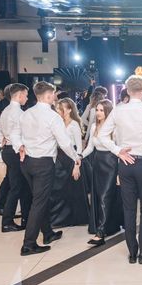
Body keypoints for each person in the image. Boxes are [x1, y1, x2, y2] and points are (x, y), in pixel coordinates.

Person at [99, 75, 142, 264]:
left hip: (125, 163)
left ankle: (132, 253)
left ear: (127, 91)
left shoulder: (118, 111)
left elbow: (102, 136)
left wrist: (118, 151)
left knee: (128, 209)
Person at [11, 81, 81, 256]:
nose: (55, 97)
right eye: (54, 95)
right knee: (39, 202)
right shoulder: (53, 117)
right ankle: (28, 244)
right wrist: (75, 158)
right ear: (49, 96)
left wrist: (19, 146)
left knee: (38, 199)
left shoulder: (26, 114)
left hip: (27, 163)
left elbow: (14, 133)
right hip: (43, 164)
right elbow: (64, 142)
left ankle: (48, 233)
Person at [82, 99, 123, 245]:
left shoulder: (115, 129)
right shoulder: (94, 126)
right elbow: (90, 148)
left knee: (105, 196)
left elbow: (120, 150)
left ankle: (100, 233)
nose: (98, 113)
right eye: (97, 110)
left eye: (102, 110)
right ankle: (109, 226)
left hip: (111, 163)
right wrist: (79, 156)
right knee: (99, 197)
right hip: (98, 163)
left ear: (108, 112)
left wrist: (119, 172)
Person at [0, 83, 31, 232]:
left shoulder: (6, 110)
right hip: (15, 152)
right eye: (26, 95)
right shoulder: (19, 113)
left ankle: (24, 218)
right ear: (19, 95)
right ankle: (7, 222)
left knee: (19, 185)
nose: (27, 98)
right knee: (16, 188)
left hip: (8, 150)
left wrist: (2, 138)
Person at [50, 98, 89, 228]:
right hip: (60, 158)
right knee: (59, 189)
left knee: (73, 190)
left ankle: (75, 218)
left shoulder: (74, 125)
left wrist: (77, 165)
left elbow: (79, 147)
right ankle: (60, 219)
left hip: (72, 159)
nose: (58, 110)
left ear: (69, 110)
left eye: (60, 108)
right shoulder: (58, 123)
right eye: (57, 108)